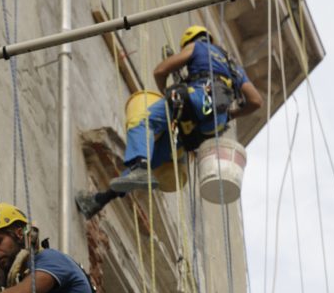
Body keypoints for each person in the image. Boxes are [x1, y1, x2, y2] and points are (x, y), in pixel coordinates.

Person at [75, 25, 262, 220]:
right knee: (152, 160)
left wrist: (167, 94)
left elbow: (160, 71)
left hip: (194, 100)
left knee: (143, 124)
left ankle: (139, 167)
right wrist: (231, 114)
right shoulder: (234, 68)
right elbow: (256, 101)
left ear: (191, 40)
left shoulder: (196, 47)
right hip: (211, 125)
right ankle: (98, 201)